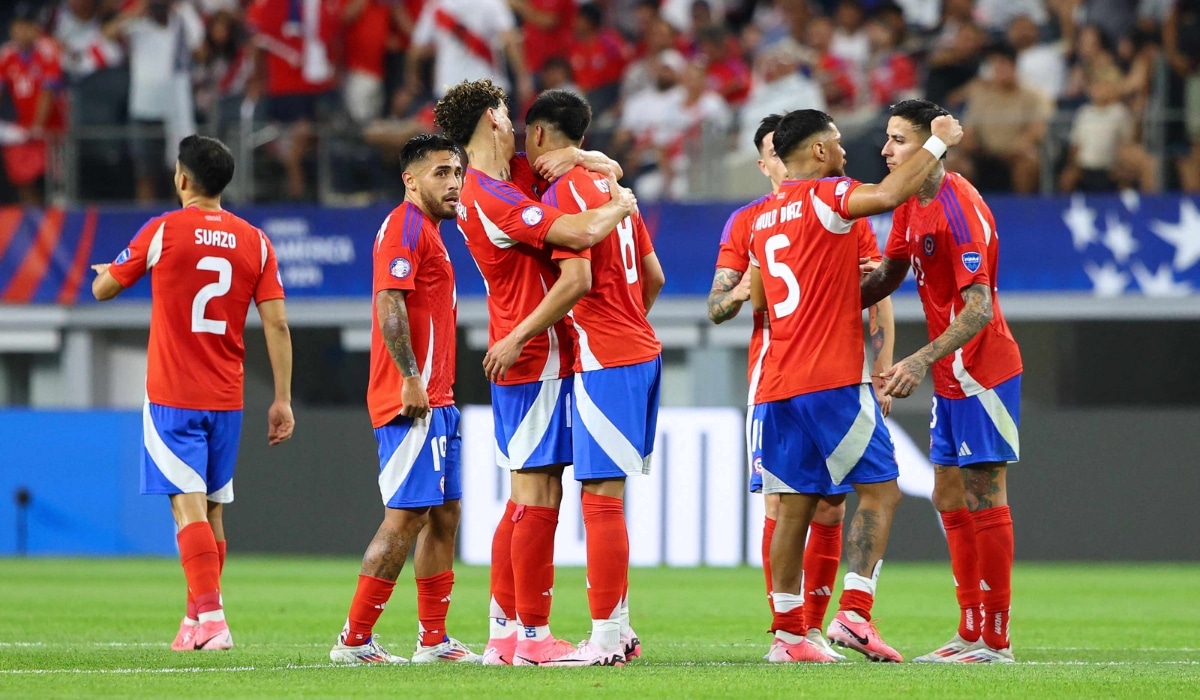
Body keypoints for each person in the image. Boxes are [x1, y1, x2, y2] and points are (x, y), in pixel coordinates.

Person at [746, 107, 963, 664]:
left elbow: (774, 295)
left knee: (793, 507)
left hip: (777, 380)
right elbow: (889, 194)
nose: (846, 152)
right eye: (838, 143)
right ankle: (855, 613)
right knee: (882, 491)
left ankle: (789, 636)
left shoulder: (762, 217)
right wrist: (936, 144)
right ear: (818, 151)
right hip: (831, 378)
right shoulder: (830, 194)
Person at [432, 78, 635, 666]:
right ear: (494, 120)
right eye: (505, 111)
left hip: (541, 355)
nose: (516, 121)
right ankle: (531, 636)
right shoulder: (490, 195)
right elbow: (580, 230)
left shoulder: (515, 173)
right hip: (531, 357)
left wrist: (585, 159)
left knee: (528, 497)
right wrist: (622, 204)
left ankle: (504, 634)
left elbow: (601, 165)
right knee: (535, 496)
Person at [90, 135, 294, 651]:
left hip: (173, 394)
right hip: (226, 398)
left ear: (182, 178)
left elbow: (103, 290)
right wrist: (282, 398)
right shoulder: (256, 241)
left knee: (187, 508)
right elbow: (277, 325)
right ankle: (193, 621)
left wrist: (108, 272)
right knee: (212, 510)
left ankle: (214, 620)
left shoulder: (163, 229)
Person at [706, 112, 895, 661]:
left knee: (828, 506)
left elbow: (872, 288)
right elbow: (716, 307)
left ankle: (805, 630)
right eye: (768, 151)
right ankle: (801, 628)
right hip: (781, 371)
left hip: (807, 371)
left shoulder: (829, 209)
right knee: (785, 503)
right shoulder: (750, 220)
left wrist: (882, 362)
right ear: (765, 162)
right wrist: (739, 292)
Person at [861, 99, 1022, 664]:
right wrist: (825, 293)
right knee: (947, 494)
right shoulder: (911, 203)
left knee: (983, 495)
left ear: (930, 146)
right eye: (888, 139)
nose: (887, 150)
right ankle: (969, 630)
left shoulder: (959, 207)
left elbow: (979, 309)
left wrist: (917, 361)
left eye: (899, 139)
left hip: (983, 372)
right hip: (951, 375)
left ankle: (995, 639)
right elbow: (888, 275)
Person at [519, 89, 665, 666]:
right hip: (640, 351)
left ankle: (604, 636)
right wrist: (626, 321)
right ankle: (619, 630)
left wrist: (521, 336)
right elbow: (653, 276)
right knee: (609, 497)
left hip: (606, 357)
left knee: (601, 500)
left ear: (537, 135)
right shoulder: (612, 189)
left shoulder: (561, 194)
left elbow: (575, 278)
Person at [328, 134, 480, 665]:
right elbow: (389, 300)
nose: (454, 183)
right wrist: (411, 377)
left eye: (457, 172)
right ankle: (354, 641)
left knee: (445, 514)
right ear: (410, 181)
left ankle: (434, 640)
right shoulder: (405, 226)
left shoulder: (430, 231)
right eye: (441, 173)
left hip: (439, 399)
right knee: (407, 516)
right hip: (412, 399)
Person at [0, 2, 65, 206]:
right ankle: (30, 222)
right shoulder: (7, 54)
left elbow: (48, 92)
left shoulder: (47, 49)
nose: (20, 31)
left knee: (55, 187)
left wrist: (38, 126)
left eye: (25, 26)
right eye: (16, 26)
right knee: (24, 181)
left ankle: (57, 221)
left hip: (53, 130)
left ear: (34, 28)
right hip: (25, 128)